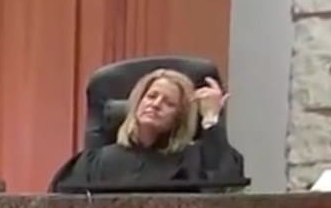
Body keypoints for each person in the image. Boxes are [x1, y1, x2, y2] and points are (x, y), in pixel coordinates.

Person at [49, 68, 244, 190]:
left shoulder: (193, 159)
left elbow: (225, 186)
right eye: (151, 96)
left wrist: (211, 118)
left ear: (180, 117)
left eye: (169, 103)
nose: (156, 104)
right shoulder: (96, 161)